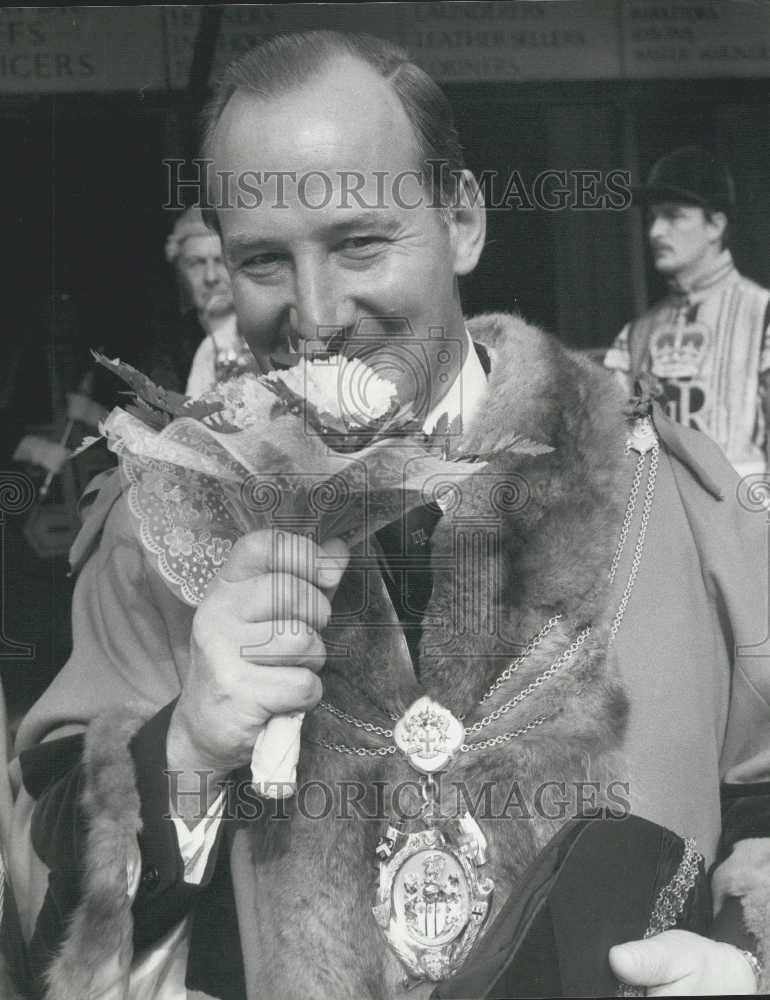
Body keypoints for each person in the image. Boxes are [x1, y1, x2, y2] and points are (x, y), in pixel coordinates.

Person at [7, 31, 770, 1000]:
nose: (317, 312)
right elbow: (41, 900)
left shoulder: (670, 499)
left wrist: (745, 964)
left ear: (461, 222)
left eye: (359, 242)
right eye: (262, 262)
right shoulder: (157, 529)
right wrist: (187, 746)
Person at [604, 146, 770, 477]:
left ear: (715, 226)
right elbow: (611, 446)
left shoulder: (762, 314)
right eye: (652, 218)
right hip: (663, 520)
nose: (655, 232)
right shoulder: (637, 333)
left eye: (673, 215)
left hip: (747, 520)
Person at [149, 206, 257, 396]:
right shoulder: (166, 348)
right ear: (179, 270)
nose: (210, 277)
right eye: (196, 263)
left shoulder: (267, 333)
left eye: (220, 261)